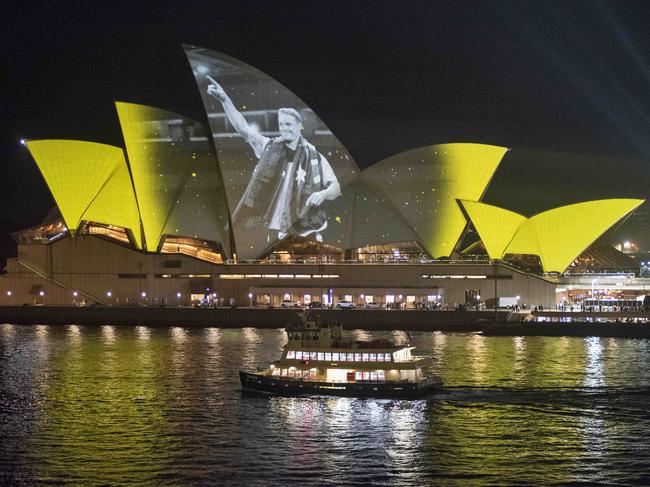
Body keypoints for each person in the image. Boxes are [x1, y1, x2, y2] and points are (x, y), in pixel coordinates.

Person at [206, 76, 341, 243]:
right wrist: (225, 100)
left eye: (289, 124)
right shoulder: (269, 148)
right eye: (281, 124)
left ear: (299, 126)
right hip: (271, 229)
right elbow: (244, 129)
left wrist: (323, 193)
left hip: (304, 230)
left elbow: (336, 188)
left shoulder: (315, 158)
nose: (284, 128)